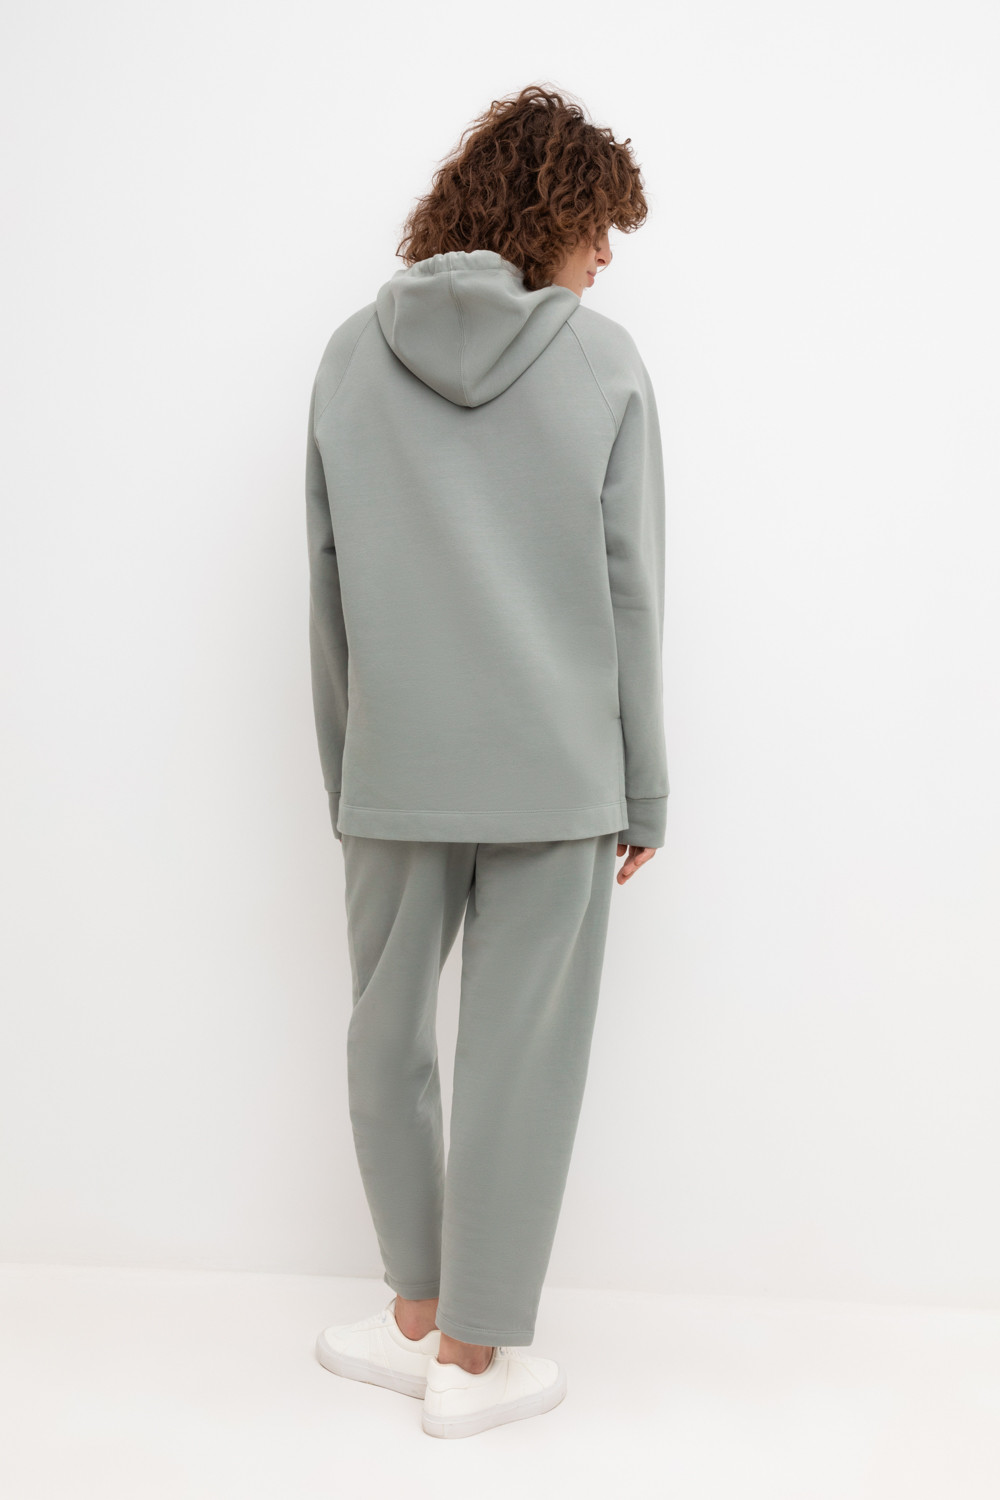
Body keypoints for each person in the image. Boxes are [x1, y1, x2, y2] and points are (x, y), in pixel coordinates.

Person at [305, 84, 669, 1439]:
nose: (608, 256)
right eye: (600, 224)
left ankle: (414, 1312)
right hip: (560, 773)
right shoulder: (604, 365)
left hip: (396, 766)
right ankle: (472, 1352)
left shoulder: (351, 355)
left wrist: (352, 772)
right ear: (551, 212)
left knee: (385, 1036)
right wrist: (646, 784)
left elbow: (328, 591)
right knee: (524, 1057)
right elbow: (632, 590)